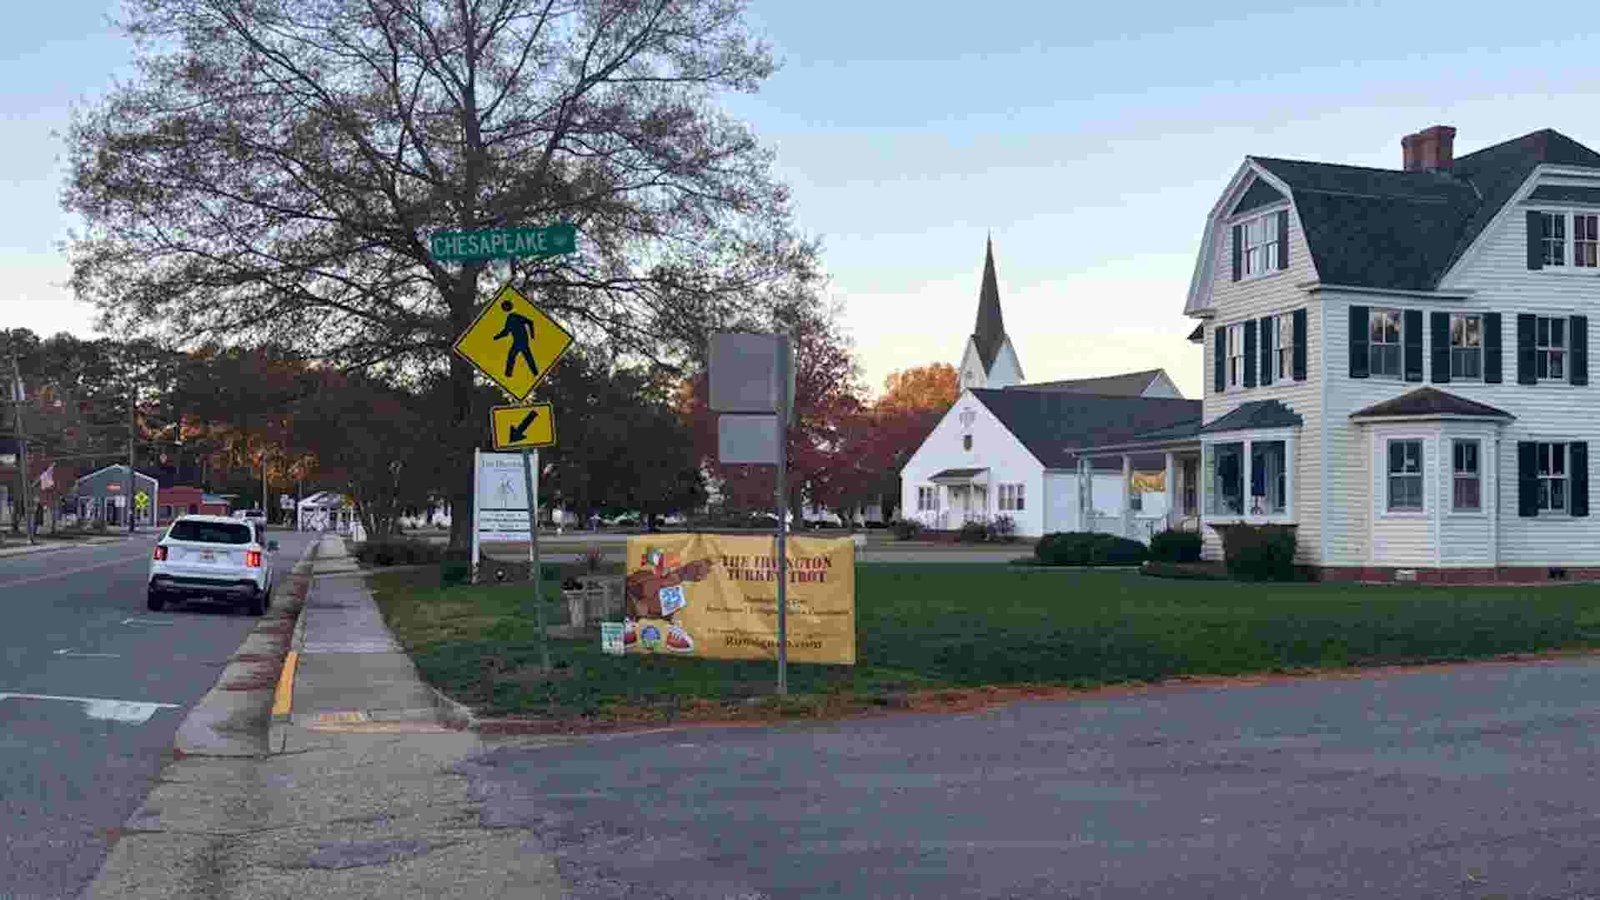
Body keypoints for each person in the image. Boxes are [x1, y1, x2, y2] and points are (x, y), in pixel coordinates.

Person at [492, 300, 538, 379]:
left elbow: (530, 322)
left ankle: (508, 374)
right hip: (518, 341)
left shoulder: (515, 316)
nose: (504, 309)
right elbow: (506, 332)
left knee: (515, 356)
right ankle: (535, 373)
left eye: (505, 307)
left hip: (521, 341)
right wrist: (496, 337)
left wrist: (532, 335)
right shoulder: (510, 318)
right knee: (524, 356)